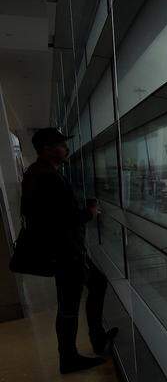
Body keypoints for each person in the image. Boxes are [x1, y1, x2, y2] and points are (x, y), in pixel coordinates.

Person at [21, 128, 117, 374]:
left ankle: (93, 341)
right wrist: (89, 213)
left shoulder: (37, 173)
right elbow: (60, 220)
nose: (66, 149)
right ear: (47, 149)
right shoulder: (47, 177)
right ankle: (71, 357)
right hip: (65, 253)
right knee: (70, 304)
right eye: (61, 145)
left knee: (92, 287)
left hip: (63, 251)